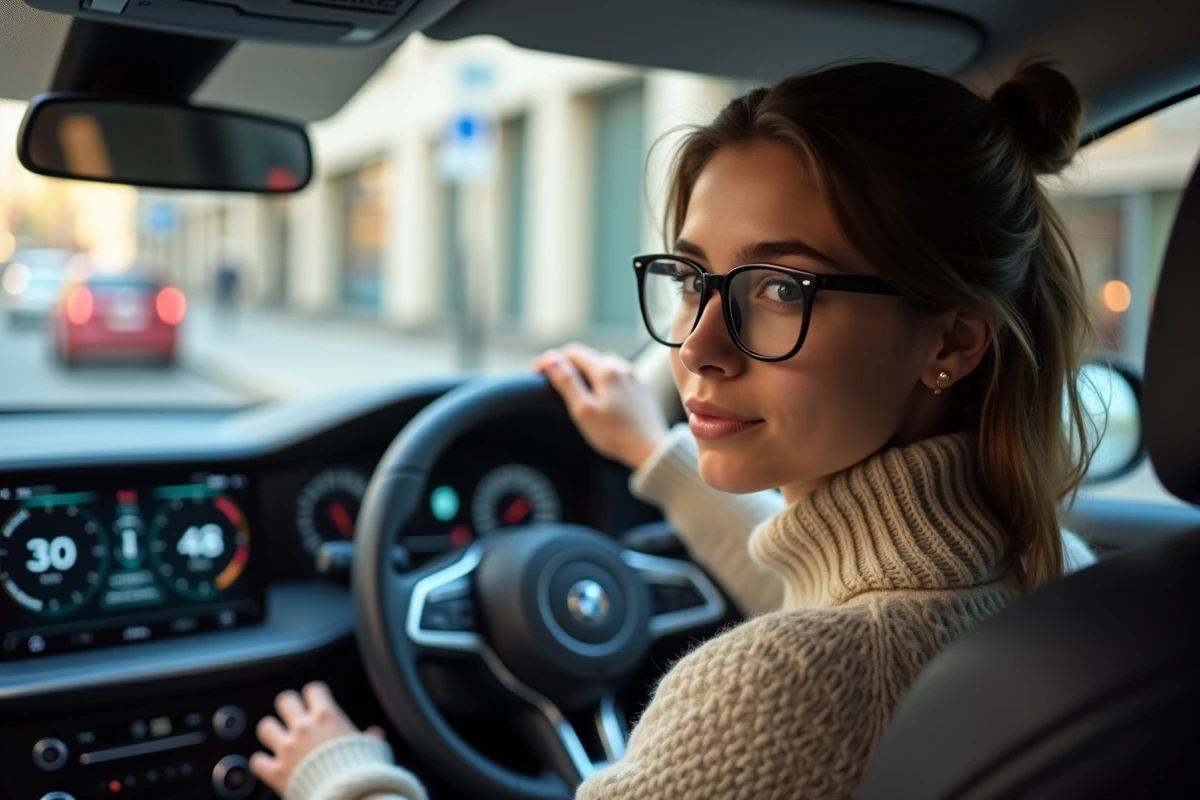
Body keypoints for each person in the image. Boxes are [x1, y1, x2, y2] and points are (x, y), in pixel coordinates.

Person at [249, 59, 1097, 799]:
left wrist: (345, 775)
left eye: (781, 290)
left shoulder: (780, 689)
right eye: (692, 277)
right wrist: (649, 452)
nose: (698, 347)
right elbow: (838, 593)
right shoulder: (1051, 573)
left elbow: (840, 650)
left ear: (950, 340)